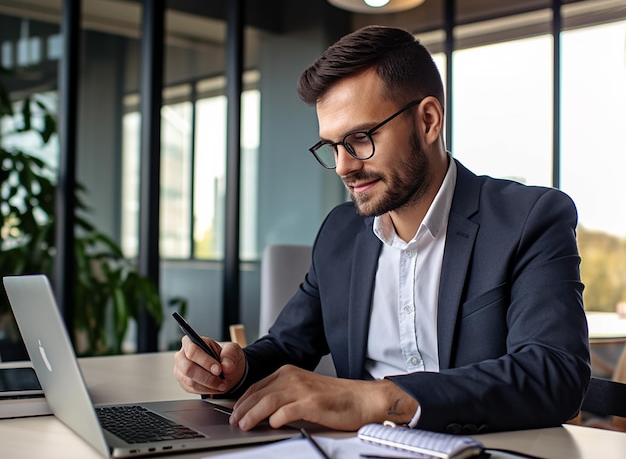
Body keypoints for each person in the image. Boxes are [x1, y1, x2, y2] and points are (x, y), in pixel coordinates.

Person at [174, 25, 591, 435]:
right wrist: (234, 368)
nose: (343, 166)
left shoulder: (529, 218)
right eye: (332, 146)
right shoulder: (340, 233)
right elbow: (287, 347)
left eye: (359, 138)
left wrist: (375, 400)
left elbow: (554, 373)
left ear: (428, 121)